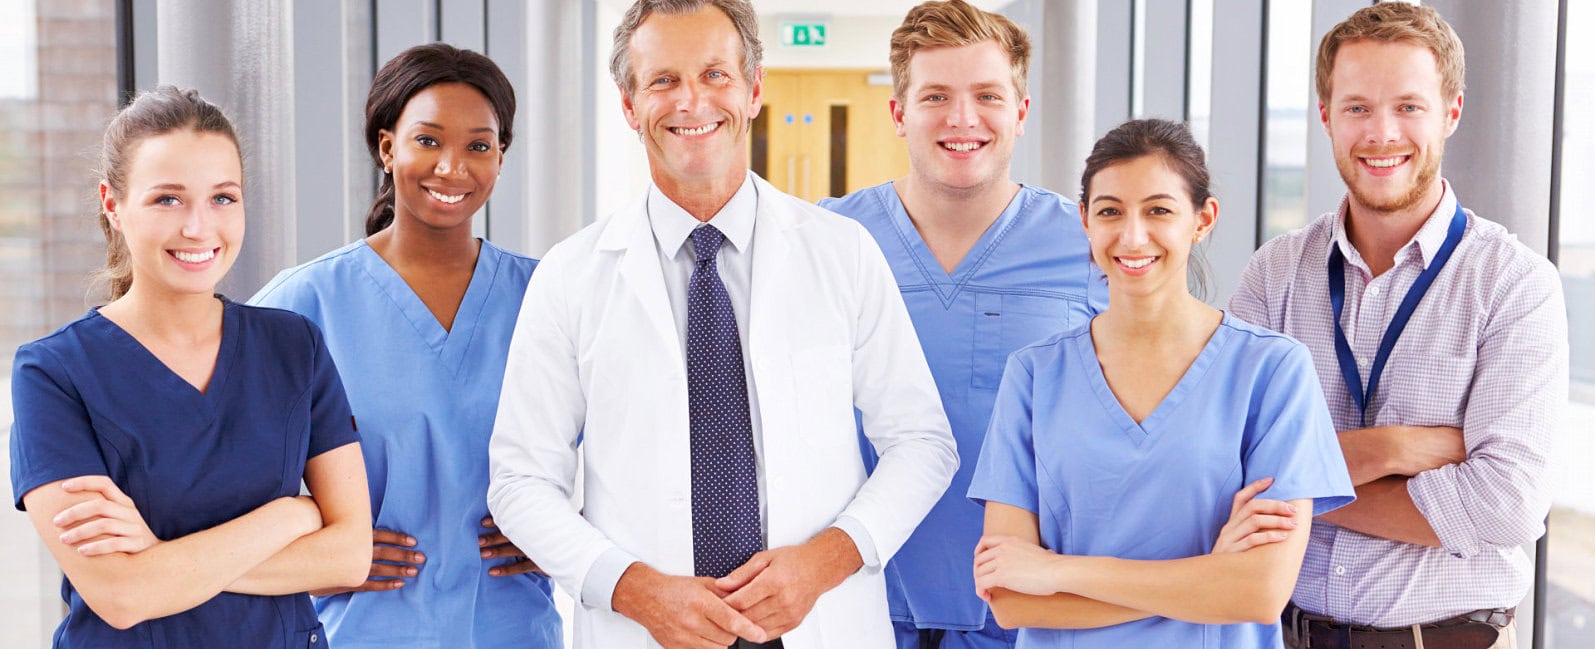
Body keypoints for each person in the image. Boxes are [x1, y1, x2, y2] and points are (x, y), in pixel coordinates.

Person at [486, 0, 958, 647]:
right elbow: (519, 481)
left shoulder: (841, 252)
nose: (691, 101)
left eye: (714, 75)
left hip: (820, 622)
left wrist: (824, 561)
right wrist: (632, 588)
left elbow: (922, 443)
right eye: (662, 80)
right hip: (641, 630)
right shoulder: (570, 275)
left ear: (753, 89)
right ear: (628, 105)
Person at [1228, 4, 1568, 648]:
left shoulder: (1515, 285)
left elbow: (1507, 502)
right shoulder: (1275, 274)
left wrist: (1298, 487)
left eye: (1408, 106)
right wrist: (1394, 450)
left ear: (1451, 113)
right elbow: (1222, 466)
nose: (1381, 133)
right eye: (1357, 107)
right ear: (1325, 116)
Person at [967, 118, 1355, 648]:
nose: (1132, 236)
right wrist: (1205, 576)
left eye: (1158, 210)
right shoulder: (1035, 375)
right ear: (1084, 220)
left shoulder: (1271, 370)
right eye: (1109, 212)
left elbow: (1258, 592)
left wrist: (1056, 572)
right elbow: (1011, 599)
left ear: (1202, 219)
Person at [8, 86, 371, 648]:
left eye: (223, 198)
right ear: (113, 205)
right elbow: (122, 597)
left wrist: (158, 562)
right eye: (167, 200)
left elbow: (350, 555)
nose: (199, 228)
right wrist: (289, 518)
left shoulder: (293, 346)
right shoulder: (54, 374)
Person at [251, 43, 561, 648]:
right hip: (361, 634)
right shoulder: (301, 305)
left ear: (501, 157)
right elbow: (220, 478)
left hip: (514, 631)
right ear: (388, 147)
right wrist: (320, 549)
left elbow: (627, 455)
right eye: (427, 140)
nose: (453, 166)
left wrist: (563, 533)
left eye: (479, 145)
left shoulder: (548, 296)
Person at [817, 4, 1096, 647]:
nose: (962, 118)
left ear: (1021, 113)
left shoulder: (1087, 244)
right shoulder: (830, 239)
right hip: (858, 603)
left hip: (1028, 611)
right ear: (899, 114)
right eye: (935, 95)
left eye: (988, 96)